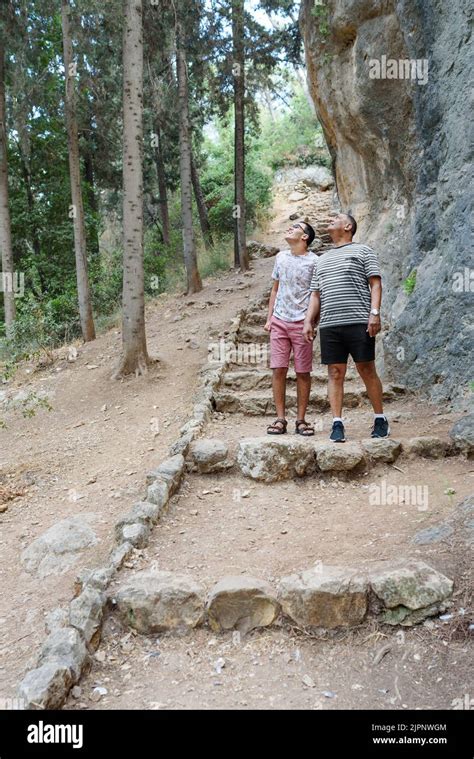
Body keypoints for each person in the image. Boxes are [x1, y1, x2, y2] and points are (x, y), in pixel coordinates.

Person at [303, 212, 389, 442]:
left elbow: (376, 283)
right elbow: (315, 294)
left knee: (366, 369)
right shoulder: (321, 260)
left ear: (348, 226)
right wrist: (308, 320)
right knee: (334, 372)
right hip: (330, 324)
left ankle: (380, 418)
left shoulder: (363, 251)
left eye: (336, 218)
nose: (330, 219)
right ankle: (337, 424)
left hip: (359, 320)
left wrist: (374, 313)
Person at [264, 221, 318, 436]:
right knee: (278, 369)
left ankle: (301, 420)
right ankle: (280, 419)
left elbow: (316, 294)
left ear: (304, 237)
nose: (289, 228)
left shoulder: (315, 262)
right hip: (279, 320)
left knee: (303, 372)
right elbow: (275, 290)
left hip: (302, 323)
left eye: (296, 227)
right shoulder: (281, 257)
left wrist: (311, 322)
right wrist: (269, 318)